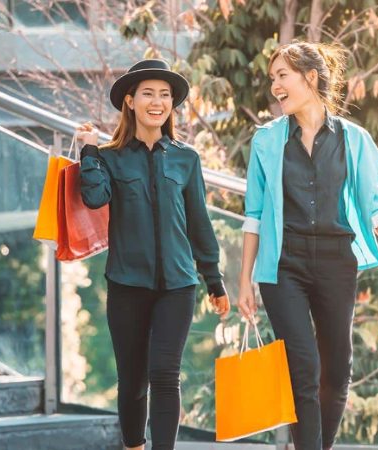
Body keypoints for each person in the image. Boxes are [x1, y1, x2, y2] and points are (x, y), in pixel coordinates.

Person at [235, 42, 378, 450]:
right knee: (303, 367)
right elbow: (254, 215)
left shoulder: (354, 139)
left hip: (338, 263)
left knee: (336, 372)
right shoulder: (267, 141)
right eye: (273, 78)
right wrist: (244, 279)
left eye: (283, 76)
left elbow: (375, 205)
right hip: (284, 266)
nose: (275, 86)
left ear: (311, 78)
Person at [76, 59, 230, 450]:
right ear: (130, 101)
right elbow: (94, 198)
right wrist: (90, 152)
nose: (157, 101)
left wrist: (214, 280)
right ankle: (133, 446)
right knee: (132, 380)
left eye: (165, 95)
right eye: (148, 93)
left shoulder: (186, 158)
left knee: (165, 375)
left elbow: (199, 222)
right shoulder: (109, 157)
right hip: (127, 283)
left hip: (178, 285)